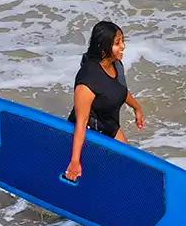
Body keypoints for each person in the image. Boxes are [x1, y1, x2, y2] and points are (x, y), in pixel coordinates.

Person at [61, 19, 146, 185]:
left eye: (123, 41)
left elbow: (119, 90)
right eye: (117, 43)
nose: (123, 46)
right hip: (89, 131)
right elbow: (81, 121)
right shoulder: (88, 79)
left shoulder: (117, 65)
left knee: (130, 165)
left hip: (109, 125)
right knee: (99, 175)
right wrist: (75, 161)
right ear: (103, 47)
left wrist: (137, 108)